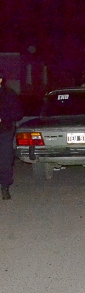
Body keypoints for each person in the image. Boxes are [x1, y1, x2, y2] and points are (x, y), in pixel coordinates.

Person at [0, 71, 24, 200]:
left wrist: (3, 118)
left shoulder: (9, 94)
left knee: (4, 159)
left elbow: (17, 113)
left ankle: (5, 186)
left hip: (4, 131)